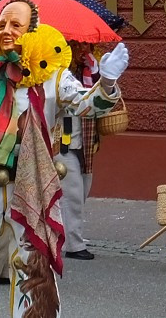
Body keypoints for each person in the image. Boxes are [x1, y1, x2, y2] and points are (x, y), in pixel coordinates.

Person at [0, 0, 129, 318]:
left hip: (33, 184)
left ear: (32, 31)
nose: (6, 30)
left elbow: (88, 107)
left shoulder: (54, 75)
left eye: (15, 25)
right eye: (2, 24)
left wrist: (108, 83)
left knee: (35, 270)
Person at [58, 41, 101, 261]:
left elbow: (98, 100)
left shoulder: (86, 71)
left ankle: (64, 233)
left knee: (83, 189)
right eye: (78, 46)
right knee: (72, 194)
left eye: (86, 46)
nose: (83, 50)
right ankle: (73, 244)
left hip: (86, 142)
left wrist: (94, 72)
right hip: (63, 142)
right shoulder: (60, 73)